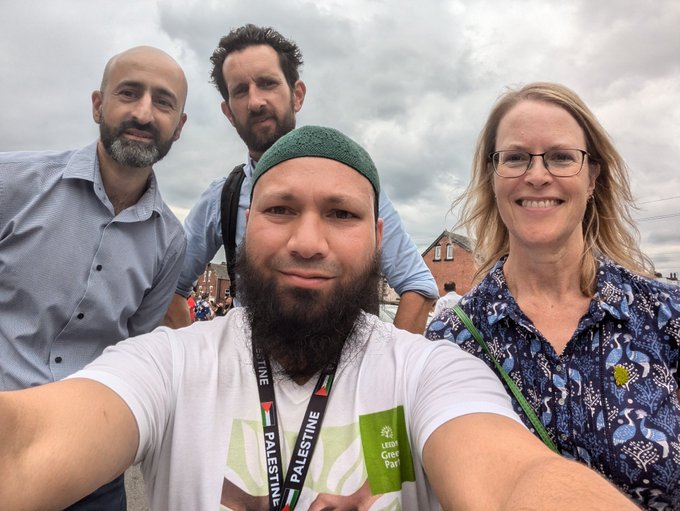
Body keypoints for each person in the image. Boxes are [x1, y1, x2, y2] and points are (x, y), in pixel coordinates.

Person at [0, 126, 638, 511]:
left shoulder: (430, 371)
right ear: (246, 228)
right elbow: (28, 446)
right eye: (280, 210)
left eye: (341, 214)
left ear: (377, 238)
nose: (308, 241)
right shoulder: (169, 363)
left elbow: (515, 480)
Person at [426, 82, 680, 509]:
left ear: (593, 176)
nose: (538, 175)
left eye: (562, 157)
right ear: (493, 177)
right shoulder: (450, 340)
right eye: (516, 157)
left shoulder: (665, 317)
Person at [0, 46, 188, 510]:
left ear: (179, 127)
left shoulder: (170, 241)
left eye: (163, 102)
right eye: (129, 93)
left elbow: (134, 346)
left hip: (91, 464)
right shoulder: (13, 184)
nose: (144, 113)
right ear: (97, 104)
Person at [162, 24, 438, 333]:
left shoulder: (355, 185)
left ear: (297, 95)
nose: (255, 102)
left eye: (267, 83)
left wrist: (384, 376)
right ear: (228, 112)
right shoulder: (221, 198)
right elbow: (167, 289)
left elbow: (418, 286)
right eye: (240, 90)